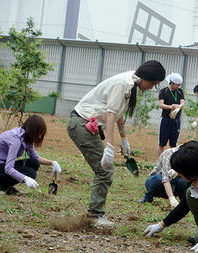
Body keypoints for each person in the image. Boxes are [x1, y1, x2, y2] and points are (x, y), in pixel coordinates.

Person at [67, 60, 166, 228]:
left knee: (104, 170)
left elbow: (118, 112)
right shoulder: (122, 84)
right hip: (81, 124)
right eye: (153, 83)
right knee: (105, 170)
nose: (151, 88)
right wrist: (110, 146)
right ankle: (94, 215)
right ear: (146, 77)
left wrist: (124, 138)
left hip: (87, 125)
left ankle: (94, 213)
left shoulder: (130, 82)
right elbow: (111, 113)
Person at [0, 115, 61, 194]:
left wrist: (52, 162)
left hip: (2, 165)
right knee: (30, 173)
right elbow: (8, 169)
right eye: (39, 133)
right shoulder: (15, 140)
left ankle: (5, 186)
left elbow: (35, 157)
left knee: (34, 163)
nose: (40, 137)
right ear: (32, 131)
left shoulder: (25, 137)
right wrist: (26, 178)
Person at [157, 73, 185, 158]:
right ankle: (160, 160)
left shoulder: (180, 91)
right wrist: (170, 107)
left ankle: (172, 161)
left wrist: (179, 107)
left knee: (173, 143)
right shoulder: (164, 91)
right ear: (172, 83)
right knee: (162, 143)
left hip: (176, 120)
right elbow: (161, 105)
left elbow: (182, 102)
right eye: (177, 85)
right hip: (166, 119)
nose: (178, 86)